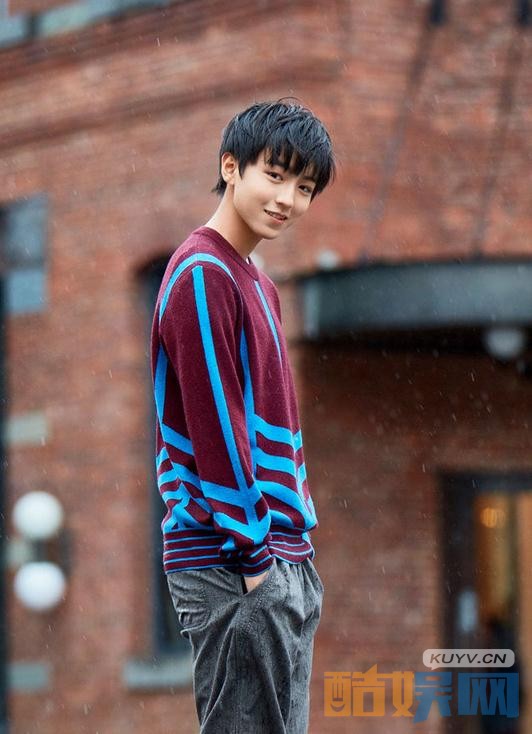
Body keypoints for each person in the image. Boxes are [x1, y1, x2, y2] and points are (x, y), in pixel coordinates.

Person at [150, 99, 336, 733]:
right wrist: (258, 562)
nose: (287, 199)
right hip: (233, 558)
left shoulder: (257, 280)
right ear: (230, 167)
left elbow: (275, 424)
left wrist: (290, 556)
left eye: (304, 187)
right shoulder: (203, 273)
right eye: (274, 176)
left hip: (278, 555)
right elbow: (216, 427)